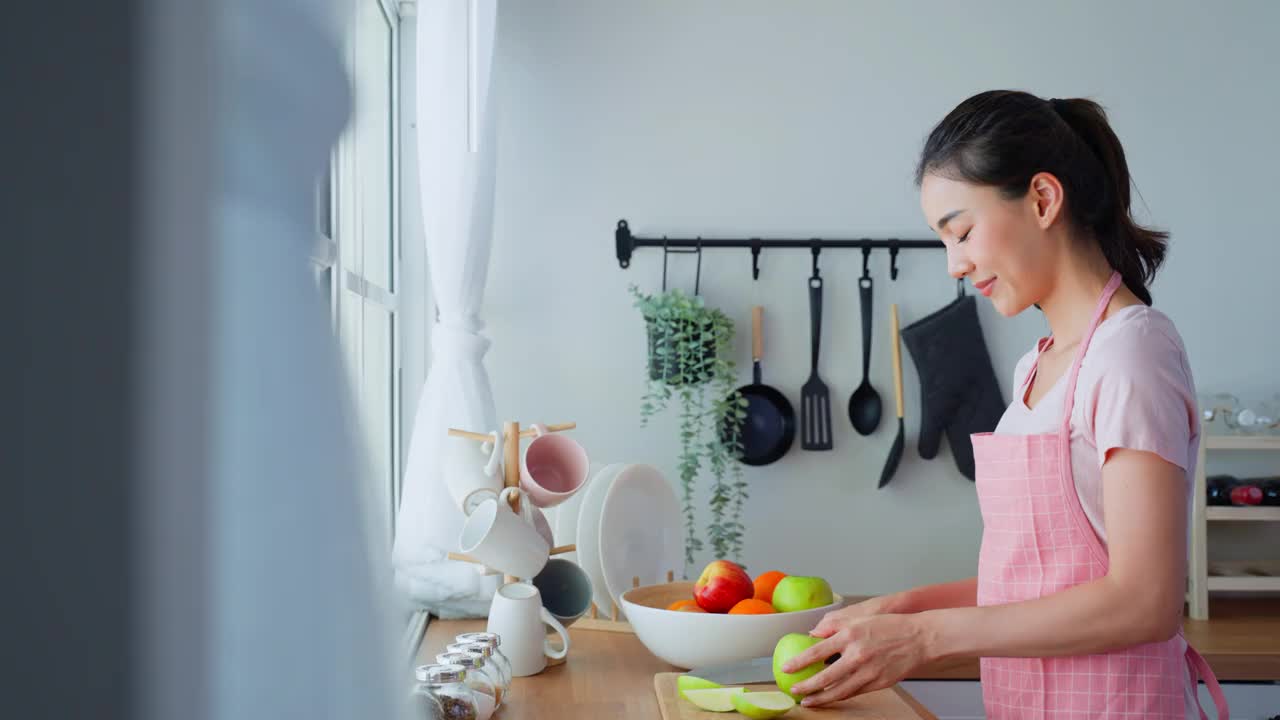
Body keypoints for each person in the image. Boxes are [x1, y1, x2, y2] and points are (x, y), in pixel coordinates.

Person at [780, 90, 1230, 719]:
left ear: (1043, 200)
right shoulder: (1034, 369)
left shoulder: (1132, 353)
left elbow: (1144, 601)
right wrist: (900, 610)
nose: (954, 266)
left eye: (960, 232)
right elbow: (1032, 585)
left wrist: (925, 638)